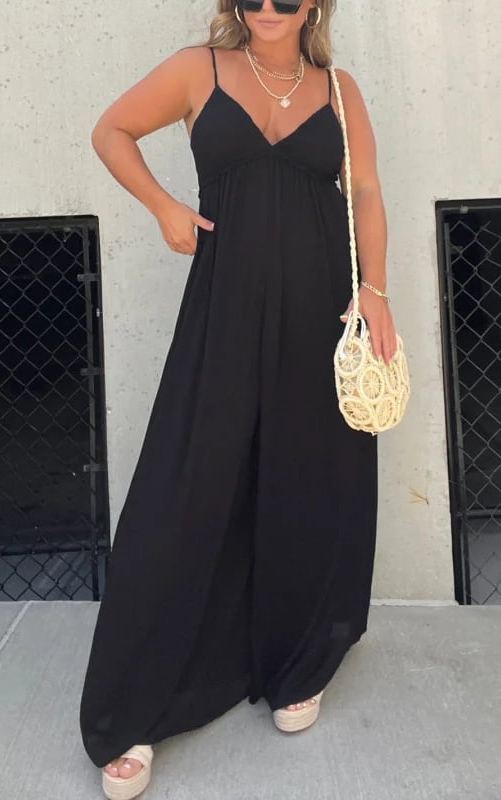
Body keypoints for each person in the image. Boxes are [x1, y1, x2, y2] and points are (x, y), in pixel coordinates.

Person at [79, 1, 397, 798]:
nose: (268, 9)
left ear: (313, 4)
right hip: (222, 307)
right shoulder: (200, 71)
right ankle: (134, 706)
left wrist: (376, 291)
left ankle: (297, 661)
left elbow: (364, 189)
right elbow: (111, 131)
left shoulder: (339, 88)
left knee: (309, 479)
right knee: (184, 488)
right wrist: (162, 205)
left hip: (321, 309)